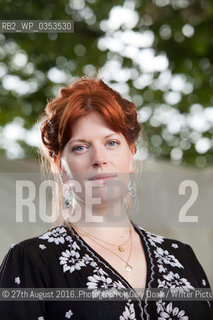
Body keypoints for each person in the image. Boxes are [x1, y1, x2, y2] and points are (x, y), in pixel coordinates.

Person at [0, 76, 212, 320]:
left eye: (111, 143)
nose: (99, 158)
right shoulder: (33, 260)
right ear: (60, 165)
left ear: (131, 154)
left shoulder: (181, 256)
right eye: (80, 147)